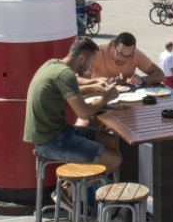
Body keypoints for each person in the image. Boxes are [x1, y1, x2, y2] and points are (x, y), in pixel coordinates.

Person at [23, 37, 121, 174]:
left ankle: (76, 186)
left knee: (111, 141)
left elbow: (70, 86)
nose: (93, 66)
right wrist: (107, 97)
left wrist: (93, 85)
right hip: (52, 142)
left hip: (56, 133)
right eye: (92, 61)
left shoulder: (53, 64)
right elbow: (84, 113)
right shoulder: (65, 75)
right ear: (82, 58)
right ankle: (76, 190)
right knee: (114, 159)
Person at [86, 32, 166, 86]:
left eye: (128, 56)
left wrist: (142, 80)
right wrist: (97, 82)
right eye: (120, 54)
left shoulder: (135, 54)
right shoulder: (97, 53)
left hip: (127, 98)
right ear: (113, 45)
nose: (123, 59)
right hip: (100, 96)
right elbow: (77, 78)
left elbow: (160, 74)